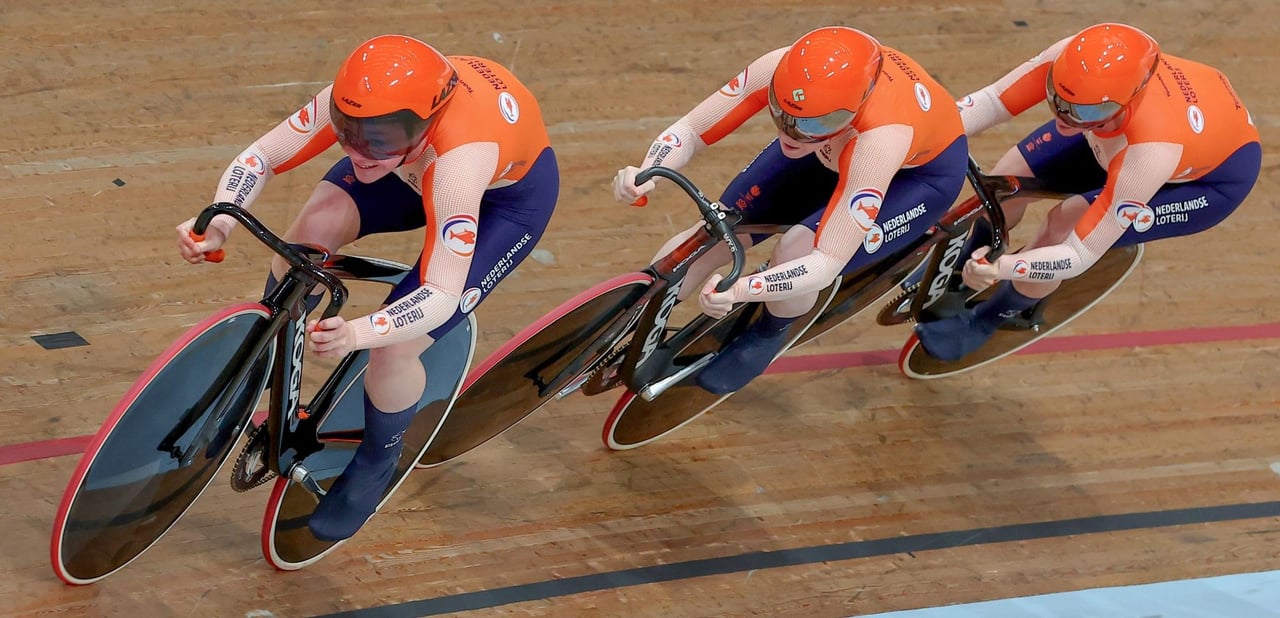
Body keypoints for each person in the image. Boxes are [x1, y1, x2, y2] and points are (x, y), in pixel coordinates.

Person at [175, 35, 559, 541]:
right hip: (408, 171)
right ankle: (265, 371)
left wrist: (359, 334)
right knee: (306, 239)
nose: (359, 152)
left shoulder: (460, 161)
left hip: (499, 206)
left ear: (429, 120)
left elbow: (441, 295)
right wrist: (220, 222)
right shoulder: (363, 103)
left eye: (379, 137)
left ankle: (379, 459)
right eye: (348, 132)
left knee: (395, 347)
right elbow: (261, 157)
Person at [613, 26, 968, 394]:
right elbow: (691, 128)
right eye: (781, 113)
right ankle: (625, 320)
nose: (791, 134)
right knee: (718, 228)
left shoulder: (880, 140)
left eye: (815, 123)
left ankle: (771, 333)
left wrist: (745, 289)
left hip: (915, 178)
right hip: (832, 147)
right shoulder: (783, 71)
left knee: (795, 249)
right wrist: (647, 169)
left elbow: (825, 262)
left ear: (854, 108)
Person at [914, 23, 1261, 361]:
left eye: (1082, 110)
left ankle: (989, 320)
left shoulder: (1152, 151)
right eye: (1057, 99)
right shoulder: (1077, 65)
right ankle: (959, 270)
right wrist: (924, 137)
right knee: (1007, 179)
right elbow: (992, 101)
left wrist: (1004, 268)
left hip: (1208, 181)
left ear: (1125, 103)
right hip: (1120, 131)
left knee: (1060, 227)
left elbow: (1079, 253)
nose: (1064, 118)